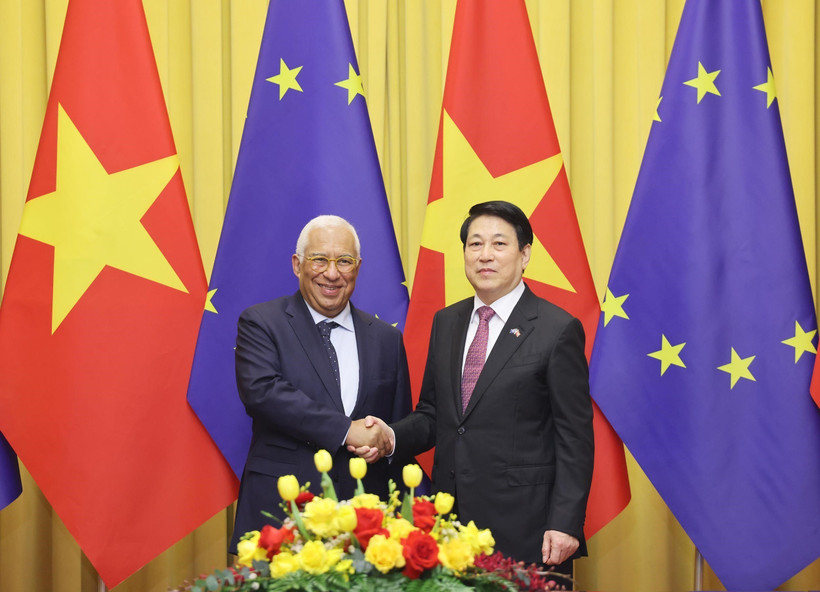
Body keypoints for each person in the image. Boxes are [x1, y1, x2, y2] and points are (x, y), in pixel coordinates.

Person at [354, 201, 594, 569]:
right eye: (475, 244)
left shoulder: (556, 329)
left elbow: (574, 436)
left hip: (528, 528)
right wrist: (390, 436)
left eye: (499, 244)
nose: (485, 255)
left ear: (525, 254)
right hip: (450, 524)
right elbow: (436, 414)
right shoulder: (447, 322)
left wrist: (565, 524)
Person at [230, 215, 411, 552]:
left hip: (368, 526)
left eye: (344, 261)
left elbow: (397, 425)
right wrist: (347, 430)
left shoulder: (387, 339)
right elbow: (263, 393)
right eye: (319, 260)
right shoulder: (261, 323)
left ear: (358, 267)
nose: (332, 273)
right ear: (297, 264)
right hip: (283, 517)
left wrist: (383, 442)